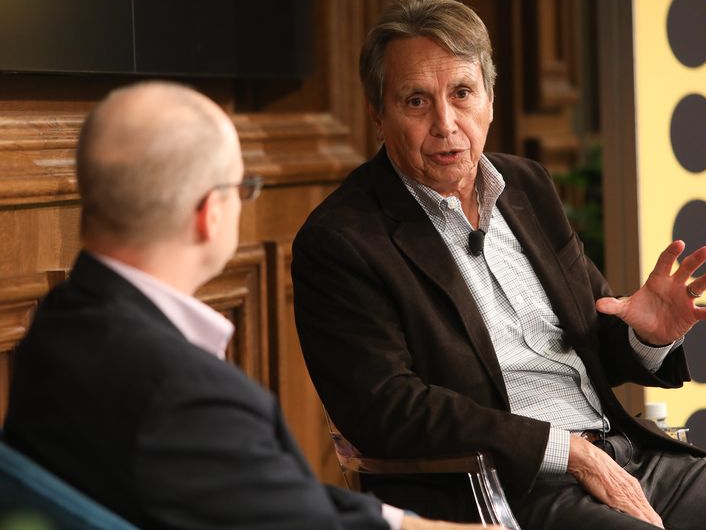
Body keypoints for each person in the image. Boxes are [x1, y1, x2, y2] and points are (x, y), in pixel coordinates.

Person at [291, 0, 706, 529]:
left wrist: (646, 337)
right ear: (377, 113)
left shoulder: (526, 186)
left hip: (628, 457)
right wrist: (568, 452)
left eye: (462, 93)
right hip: (503, 490)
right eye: (416, 100)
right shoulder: (342, 240)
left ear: (489, 99)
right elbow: (388, 409)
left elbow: (592, 335)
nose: (446, 122)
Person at [4, 82, 492, 530]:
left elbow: (262, 495)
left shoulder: (58, 323)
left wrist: (404, 523)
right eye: (243, 188)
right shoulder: (185, 394)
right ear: (211, 214)